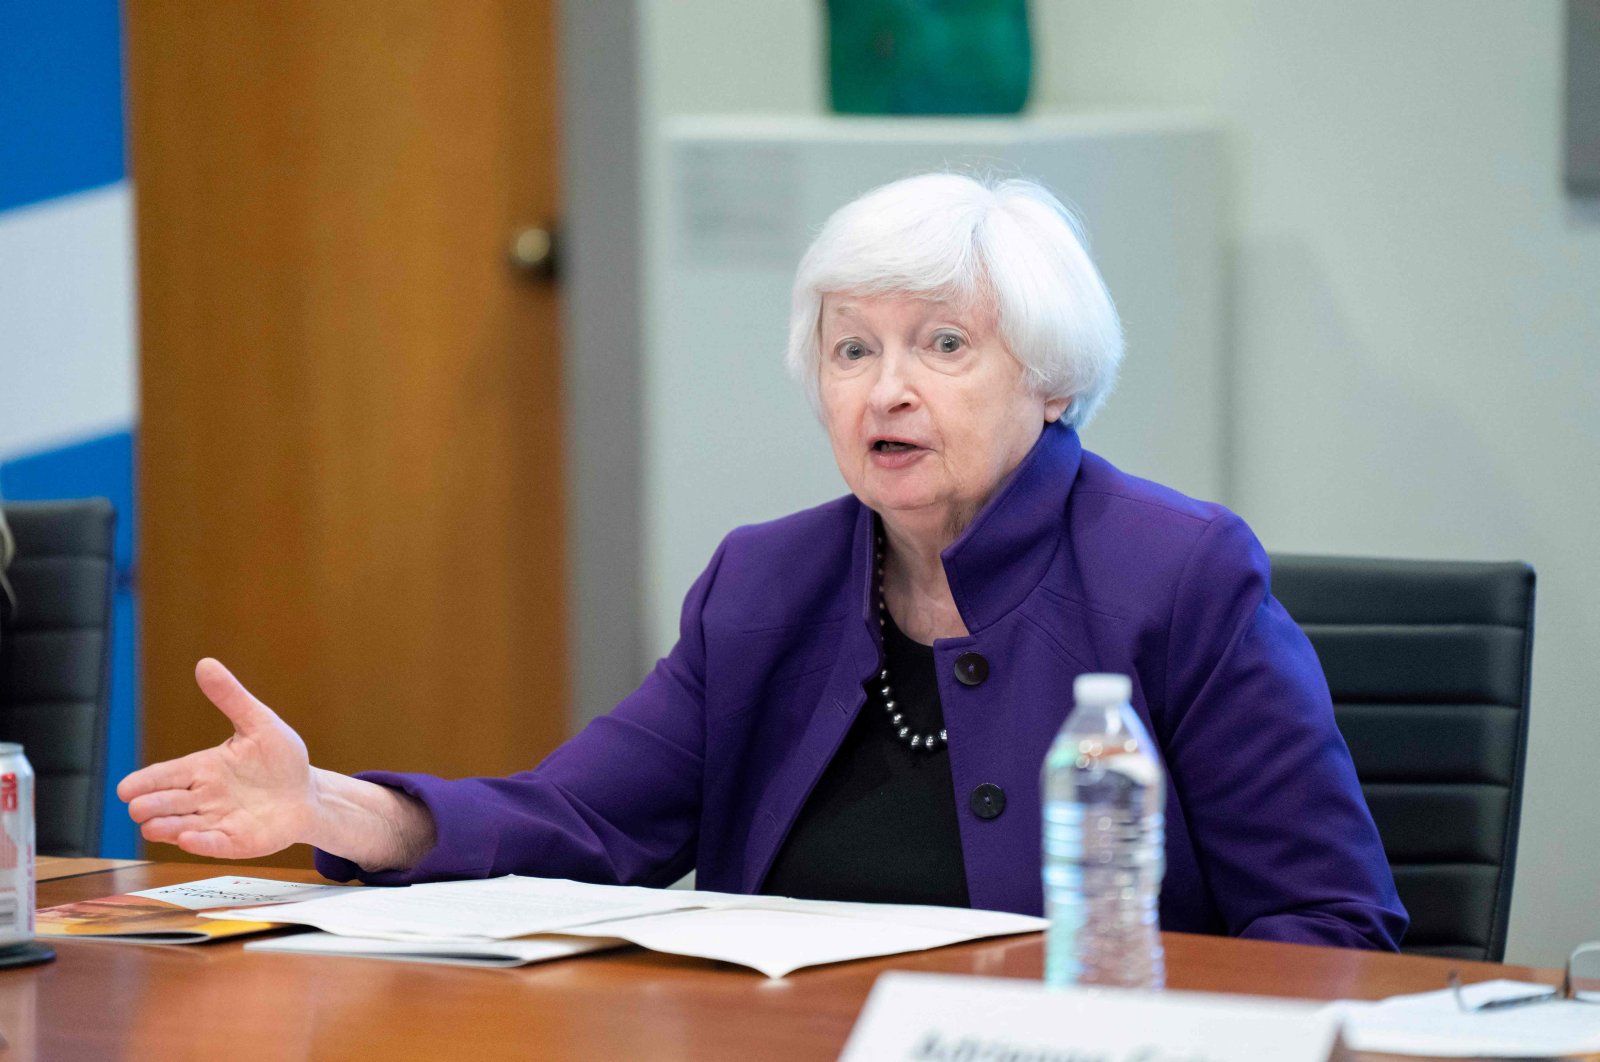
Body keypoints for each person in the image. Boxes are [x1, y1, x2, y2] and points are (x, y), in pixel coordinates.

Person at [119, 173, 1407, 950]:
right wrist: (333, 809)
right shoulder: (769, 584)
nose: (887, 390)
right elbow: (586, 819)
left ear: (1052, 379)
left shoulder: (1178, 575)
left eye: (943, 346)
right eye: (853, 352)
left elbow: (1332, 924)